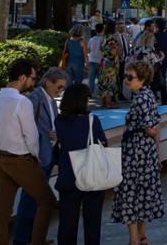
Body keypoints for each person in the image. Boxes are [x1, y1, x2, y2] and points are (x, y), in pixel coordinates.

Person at [0, 59, 56, 245]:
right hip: (20, 160)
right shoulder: (22, 101)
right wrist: (35, 157)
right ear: (22, 77)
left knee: (3, 210)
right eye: (33, 78)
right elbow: (31, 135)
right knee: (47, 201)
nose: (34, 82)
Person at [11, 67, 67, 245]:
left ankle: (34, 238)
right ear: (48, 82)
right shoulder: (34, 99)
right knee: (30, 200)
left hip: (46, 155)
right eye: (59, 87)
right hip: (36, 156)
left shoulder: (50, 100)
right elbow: (22, 125)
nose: (61, 91)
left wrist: (55, 133)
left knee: (38, 201)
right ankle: (22, 240)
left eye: (63, 87)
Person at [113, 61, 165, 245]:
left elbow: (152, 129)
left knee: (131, 195)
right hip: (146, 153)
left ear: (141, 80)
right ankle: (142, 237)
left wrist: (142, 131)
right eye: (125, 76)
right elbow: (156, 125)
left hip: (135, 154)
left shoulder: (141, 99)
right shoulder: (148, 94)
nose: (126, 80)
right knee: (141, 194)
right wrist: (157, 153)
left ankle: (134, 240)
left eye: (130, 77)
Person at [53, 83, 108, 245]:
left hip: (67, 178)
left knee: (67, 224)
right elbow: (103, 143)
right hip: (91, 177)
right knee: (92, 224)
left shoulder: (59, 122)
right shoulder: (92, 120)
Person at [99, 36, 124, 108]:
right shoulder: (112, 45)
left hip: (103, 66)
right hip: (110, 67)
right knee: (109, 85)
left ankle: (103, 103)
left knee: (103, 84)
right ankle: (108, 103)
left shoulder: (104, 45)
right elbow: (114, 54)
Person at [85, 24, 105, 90]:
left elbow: (88, 50)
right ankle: (101, 92)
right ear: (103, 29)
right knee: (101, 79)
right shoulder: (104, 39)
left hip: (92, 60)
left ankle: (90, 92)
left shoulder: (91, 39)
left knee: (91, 79)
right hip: (101, 61)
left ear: (96, 30)